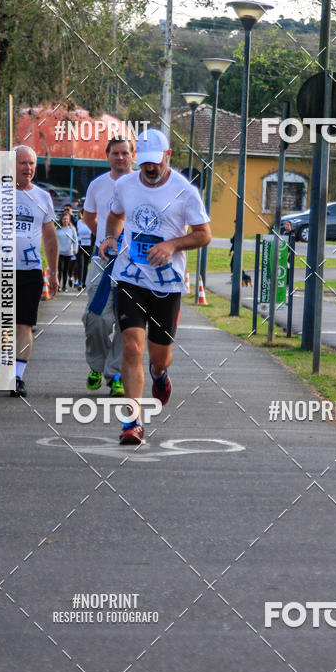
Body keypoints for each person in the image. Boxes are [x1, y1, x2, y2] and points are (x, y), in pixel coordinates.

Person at [100, 128, 211, 445]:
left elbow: (204, 234)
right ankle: (131, 422)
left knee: (158, 355)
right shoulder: (125, 185)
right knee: (132, 346)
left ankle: (159, 375)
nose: (149, 168)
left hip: (167, 282)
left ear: (168, 156)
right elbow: (115, 216)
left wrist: (173, 245)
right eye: (144, 162)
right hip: (130, 277)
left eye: (155, 162)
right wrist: (110, 237)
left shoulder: (185, 191)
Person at [0, 145, 59, 397]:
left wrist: (52, 272)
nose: (28, 168)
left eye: (32, 164)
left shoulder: (43, 197)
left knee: (23, 325)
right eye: (23, 163)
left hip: (30, 270)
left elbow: (50, 237)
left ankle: (17, 378)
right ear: (12, 166)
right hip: (0, 268)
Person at [81, 135, 134, 396]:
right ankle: (96, 365)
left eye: (125, 153)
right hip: (102, 260)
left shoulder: (142, 184)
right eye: (116, 153)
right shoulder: (97, 185)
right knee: (96, 318)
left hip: (134, 264)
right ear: (107, 155)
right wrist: (104, 238)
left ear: (132, 155)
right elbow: (89, 217)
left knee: (128, 322)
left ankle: (116, 375)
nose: (121, 157)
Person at [57, 211, 78, 292]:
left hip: (69, 253)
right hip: (60, 252)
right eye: (64, 219)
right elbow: (53, 240)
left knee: (66, 270)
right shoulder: (58, 228)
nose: (65, 220)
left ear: (69, 220)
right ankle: (58, 285)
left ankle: (64, 286)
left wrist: (75, 249)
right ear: (61, 220)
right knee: (60, 269)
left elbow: (75, 240)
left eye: (67, 219)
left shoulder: (72, 229)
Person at [76, 209, 93, 287]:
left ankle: (83, 282)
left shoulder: (91, 222)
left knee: (86, 265)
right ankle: (79, 281)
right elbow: (75, 233)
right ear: (82, 214)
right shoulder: (78, 222)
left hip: (89, 246)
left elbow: (94, 234)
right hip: (80, 246)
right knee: (80, 264)